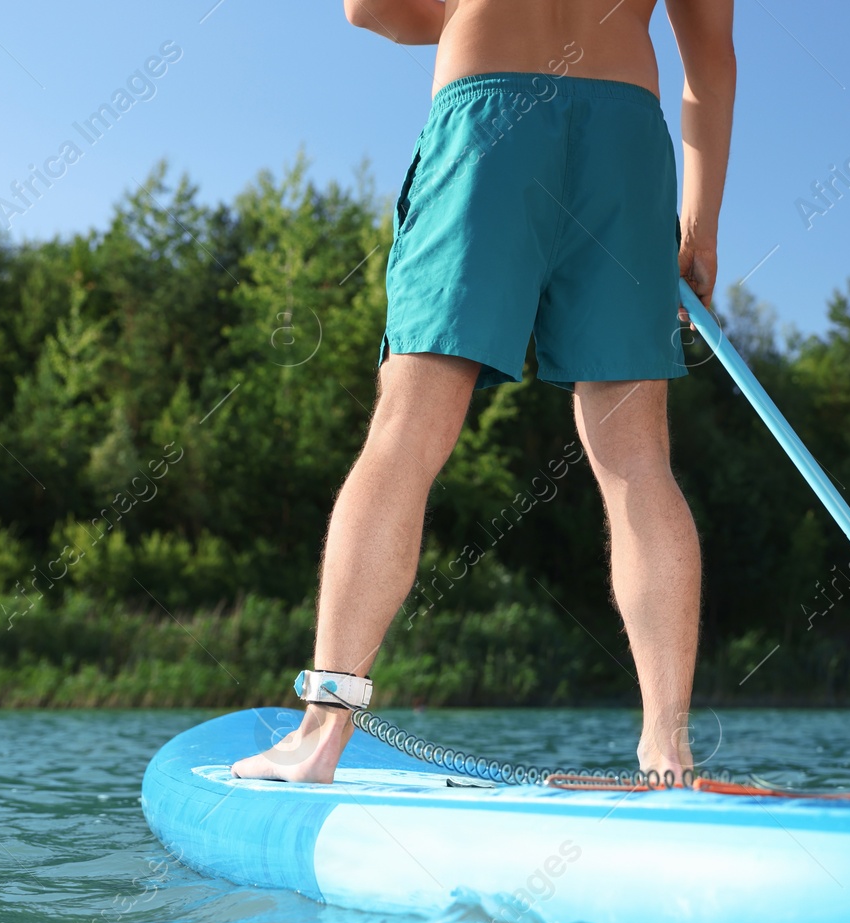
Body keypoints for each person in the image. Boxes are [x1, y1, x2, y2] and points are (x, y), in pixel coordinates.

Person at [231, 0, 735, 783]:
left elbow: (368, 9)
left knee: (407, 429)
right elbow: (711, 61)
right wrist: (698, 230)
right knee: (638, 455)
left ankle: (323, 732)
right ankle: (667, 751)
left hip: (490, 109)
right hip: (627, 134)